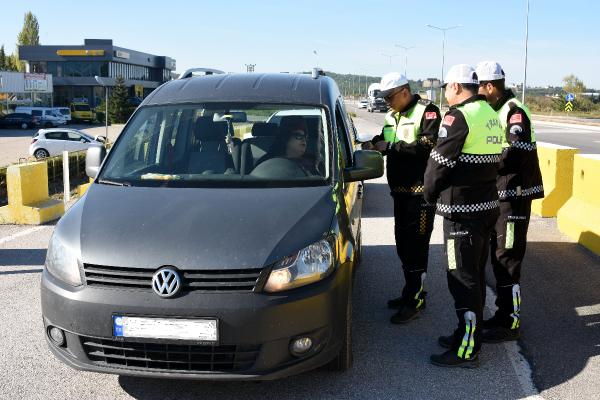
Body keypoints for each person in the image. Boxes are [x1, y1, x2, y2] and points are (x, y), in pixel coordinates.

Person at [423, 64, 503, 368]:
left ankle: (467, 350)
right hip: (486, 209)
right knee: (476, 278)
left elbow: (439, 163)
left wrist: (428, 195)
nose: (445, 92)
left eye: (446, 87)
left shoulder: (458, 116)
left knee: (462, 280)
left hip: (461, 214)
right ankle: (466, 334)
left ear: (456, 87)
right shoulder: (490, 114)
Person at [475, 61, 544, 343]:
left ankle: (510, 322)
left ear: (490, 86)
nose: (477, 91)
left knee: (508, 259)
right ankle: (503, 314)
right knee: (499, 256)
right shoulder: (497, 111)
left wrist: (483, 164)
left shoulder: (514, 112)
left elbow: (514, 151)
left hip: (514, 198)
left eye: (479, 86)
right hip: (502, 196)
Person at [368, 72, 441, 324]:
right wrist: (374, 143)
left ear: (404, 92)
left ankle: (416, 300)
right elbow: (386, 140)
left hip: (419, 194)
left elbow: (427, 145)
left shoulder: (427, 111)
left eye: (389, 97)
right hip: (399, 192)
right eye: (384, 97)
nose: (387, 102)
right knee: (403, 245)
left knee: (416, 247)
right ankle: (410, 291)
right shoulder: (392, 116)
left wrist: (391, 148)